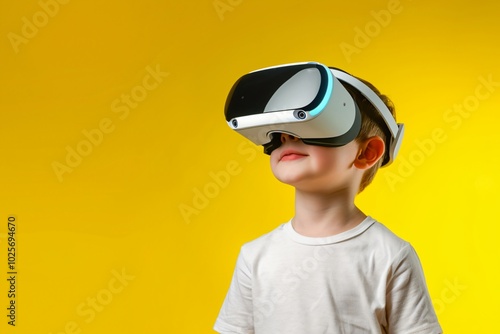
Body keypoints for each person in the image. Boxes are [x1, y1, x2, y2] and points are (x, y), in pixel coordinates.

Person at [214, 63, 442, 333]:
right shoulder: (255, 257)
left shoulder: (390, 255)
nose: (286, 136)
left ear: (366, 153)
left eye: (312, 125)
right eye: (279, 134)